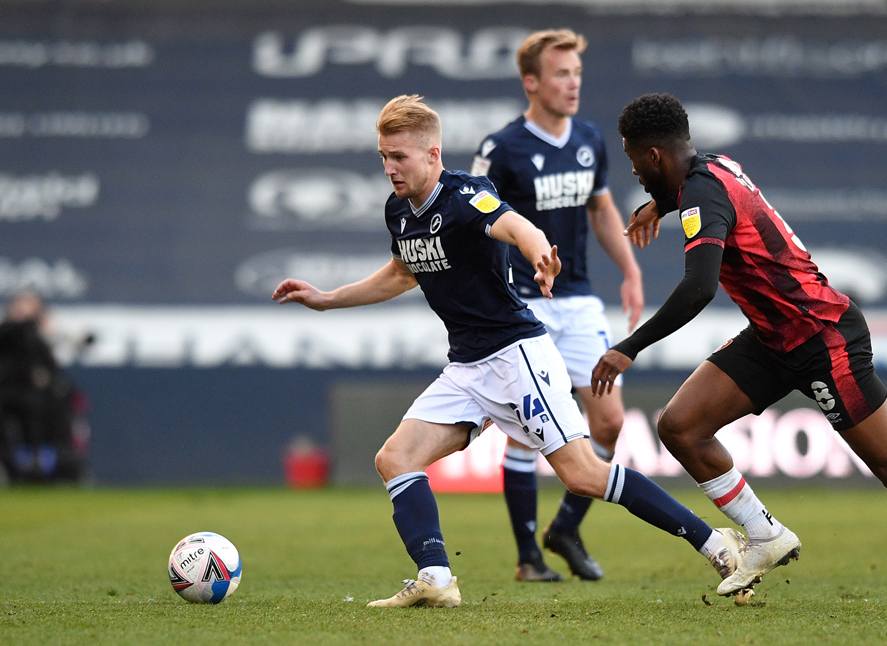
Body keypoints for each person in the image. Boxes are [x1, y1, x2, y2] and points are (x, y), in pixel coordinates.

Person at [273, 95, 750, 608]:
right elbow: (400, 274)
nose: (390, 168)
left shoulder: (465, 195)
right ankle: (436, 578)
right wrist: (327, 299)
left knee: (583, 475)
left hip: (515, 356)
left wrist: (541, 255)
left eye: (400, 157)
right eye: (384, 157)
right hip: (466, 367)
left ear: (432, 154)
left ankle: (714, 542)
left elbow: (518, 227)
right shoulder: (399, 212)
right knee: (395, 458)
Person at [592, 92, 887, 610]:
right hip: (772, 337)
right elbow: (702, 196)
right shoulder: (714, 167)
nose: (633, 171)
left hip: (823, 336)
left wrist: (629, 347)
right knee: (680, 426)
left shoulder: (702, 192)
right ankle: (764, 534)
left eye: (634, 159)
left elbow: (699, 287)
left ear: (654, 155)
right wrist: (661, 205)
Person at [471, 29, 644, 582]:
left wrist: (631, 271)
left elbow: (602, 210)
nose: (573, 84)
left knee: (610, 422)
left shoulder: (589, 138)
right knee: (526, 432)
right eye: (561, 74)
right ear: (531, 82)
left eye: (577, 73)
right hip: (526, 306)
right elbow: (471, 220)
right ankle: (528, 557)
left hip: (579, 302)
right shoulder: (502, 149)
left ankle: (565, 527)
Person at [0, 292, 87, 483]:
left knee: (41, 422)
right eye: (20, 307)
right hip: (7, 394)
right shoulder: (7, 332)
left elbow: (51, 368)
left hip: (35, 400)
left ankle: (40, 465)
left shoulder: (39, 339)